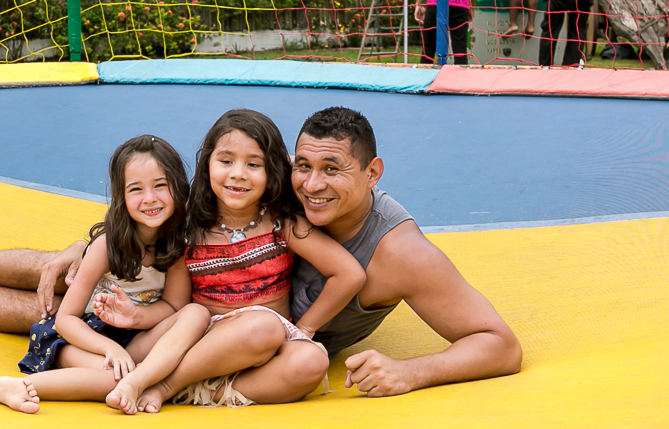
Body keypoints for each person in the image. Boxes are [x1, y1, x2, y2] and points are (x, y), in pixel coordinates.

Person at [134, 107, 523, 411]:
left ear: (373, 174)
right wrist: (81, 254)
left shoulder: (400, 253)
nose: (313, 185)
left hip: (270, 353)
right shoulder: (275, 189)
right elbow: (175, 206)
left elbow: (501, 346)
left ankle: (178, 388)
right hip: (181, 317)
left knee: (296, 358)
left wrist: (411, 371)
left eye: (332, 170)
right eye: (303, 166)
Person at [0, 135, 213, 415]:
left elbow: (174, 307)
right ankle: (18, 386)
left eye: (160, 185)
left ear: (178, 187)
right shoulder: (107, 246)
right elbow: (65, 319)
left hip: (133, 337)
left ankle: (139, 378)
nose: (150, 199)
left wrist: (136, 317)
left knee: (196, 314)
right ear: (121, 196)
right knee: (115, 377)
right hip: (82, 338)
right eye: (136, 189)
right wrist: (108, 349)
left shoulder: (179, 244)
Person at [160, 109, 366, 409]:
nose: (238, 173)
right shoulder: (189, 226)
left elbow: (349, 274)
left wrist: (305, 329)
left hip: (267, 348)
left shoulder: (283, 224)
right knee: (261, 326)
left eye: (253, 164)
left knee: (311, 360)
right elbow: (173, 303)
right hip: (205, 347)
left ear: (272, 172)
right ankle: (170, 383)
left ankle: (195, 391)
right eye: (226, 161)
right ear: (207, 164)